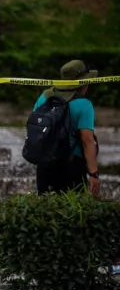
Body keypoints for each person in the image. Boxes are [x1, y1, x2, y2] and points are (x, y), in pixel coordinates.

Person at [33, 60, 100, 196]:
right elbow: (87, 140)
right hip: (72, 167)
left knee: (46, 205)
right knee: (73, 206)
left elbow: (35, 127)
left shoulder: (44, 97)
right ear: (83, 83)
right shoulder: (84, 105)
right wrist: (94, 174)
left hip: (45, 165)